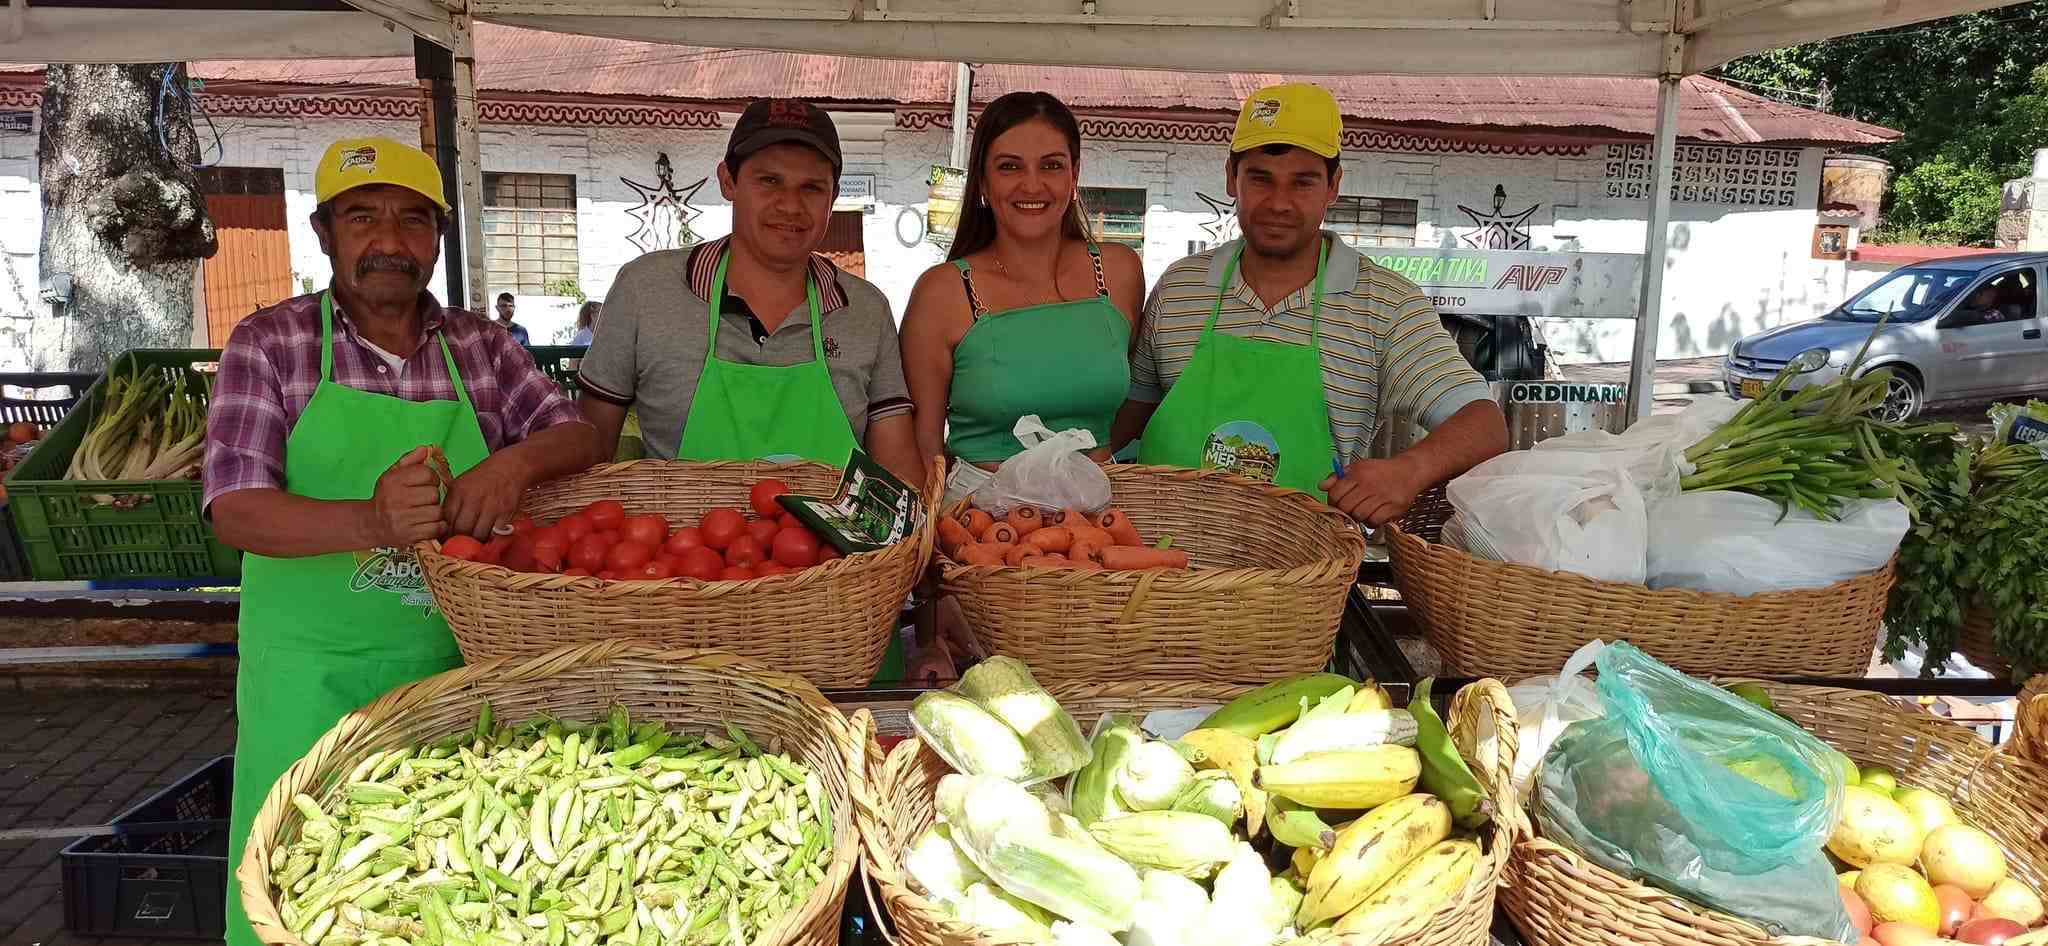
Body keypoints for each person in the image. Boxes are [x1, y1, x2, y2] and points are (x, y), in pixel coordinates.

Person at [204, 136, 602, 946]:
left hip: (454, 678)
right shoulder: (270, 341)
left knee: (453, 895)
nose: (389, 240)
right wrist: (371, 522)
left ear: (437, 238)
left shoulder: (480, 348)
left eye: (413, 220)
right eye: (363, 217)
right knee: (298, 893)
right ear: (324, 233)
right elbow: (234, 508)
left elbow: (581, 436)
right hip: (309, 687)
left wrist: (515, 463)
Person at [1110, 83, 1507, 526]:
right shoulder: (1181, 287)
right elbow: (1129, 416)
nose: (1279, 203)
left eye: (1303, 182)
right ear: (1230, 178)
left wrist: (1407, 472)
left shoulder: (1386, 305)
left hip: (1305, 576)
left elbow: (1484, 422)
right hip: (1163, 565)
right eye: (1260, 178)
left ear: (1333, 185)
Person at [576, 98, 923, 487]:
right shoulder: (644, 290)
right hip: (678, 544)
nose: (790, 205)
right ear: (729, 181)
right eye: (769, 181)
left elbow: (898, 471)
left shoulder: (865, 311)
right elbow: (588, 447)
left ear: (833, 196)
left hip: (842, 549)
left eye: (811, 187)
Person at [900, 91, 1144, 506]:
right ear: (982, 180)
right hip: (980, 529)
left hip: (1101, 527)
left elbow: (1128, 406)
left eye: (1051, 165)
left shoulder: (1120, 272)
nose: (1032, 185)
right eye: (1009, 166)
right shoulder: (941, 292)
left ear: (1074, 174)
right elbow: (923, 449)